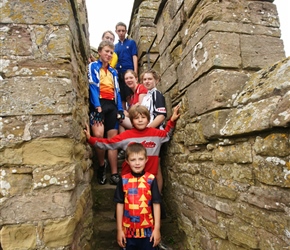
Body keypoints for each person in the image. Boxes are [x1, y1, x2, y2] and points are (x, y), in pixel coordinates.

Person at [84, 104, 181, 192]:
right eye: (136, 118)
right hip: (130, 181)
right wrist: (90, 139)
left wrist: (172, 120)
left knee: (148, 206)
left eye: (143, 117)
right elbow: (108, 143)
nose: (140, 120)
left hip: (150, 180)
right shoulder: (126, 136)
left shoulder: (156, 134)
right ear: (131, 121)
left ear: (148, 119)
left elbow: (167, 134)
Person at [88, 40, 125, 185]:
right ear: (99, 52)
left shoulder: (114, 72)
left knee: (113, 140)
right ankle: (102, 167)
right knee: (98, 135)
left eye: (111, 52)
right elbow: (92, 87)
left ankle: (114, 172)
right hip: (99, 103)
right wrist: (97, 107)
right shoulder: (93, 66)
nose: (109, 55)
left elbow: (118, 91)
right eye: (106, 51)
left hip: (112, 105)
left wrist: (120, 109)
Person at [114, 143, 162, 249]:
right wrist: (119, 230)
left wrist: (157, 229)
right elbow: (120, 205)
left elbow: (156, 203)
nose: (137, 163)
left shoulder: (151, 179)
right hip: (128, 232)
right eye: (133, 160)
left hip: (148, 232)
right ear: (127, 161)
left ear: (146, 159)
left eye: (140, 159)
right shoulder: (123, 180)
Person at [115, 22, 138, 109]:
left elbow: (134, 56)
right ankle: (124, 115)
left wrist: (135, 72)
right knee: (121, 96)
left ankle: (133, 112)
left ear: (126, 31)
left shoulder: (131, 43)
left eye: (123, 31)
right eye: (119, 31)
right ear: (116, 31)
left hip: (128, 72)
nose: (121, 33)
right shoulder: (115, 47)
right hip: (118, 74)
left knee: (129, 94)